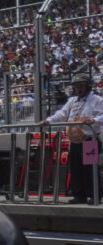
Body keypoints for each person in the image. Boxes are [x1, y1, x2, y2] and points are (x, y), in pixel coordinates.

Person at [40, 72, 103, 204]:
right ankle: (79, 195)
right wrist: (48, 120)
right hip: (74, 140)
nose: (78, 89)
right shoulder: (72, 101)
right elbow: (62, 114)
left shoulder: (97, 100)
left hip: (89, 138)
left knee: (90, 168)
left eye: (81, 86)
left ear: (88, 87)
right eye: (76, 86)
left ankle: (94, 195)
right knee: (76, 168)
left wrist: (94, 120)